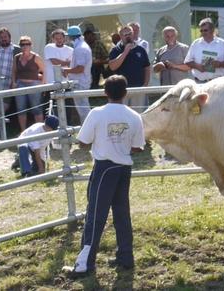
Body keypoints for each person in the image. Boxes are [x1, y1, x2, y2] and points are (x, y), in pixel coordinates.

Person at [64, 75, 145, 277]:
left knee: (95, 216)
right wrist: (120, 146)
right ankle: (126, 257)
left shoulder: (97, 113)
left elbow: (83, 142)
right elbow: (137, 147)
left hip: (104, 168)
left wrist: (103, 143)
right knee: (121, 214)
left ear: (105, 92)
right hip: (123, 168)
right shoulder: (134, 116)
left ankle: (84, 265)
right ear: (125, 93)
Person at [108, 25, 152, 111]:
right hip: (121, 90)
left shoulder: (141, 50)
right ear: (121, 37)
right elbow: (112, 67)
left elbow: (147, 67)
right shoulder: (115, 50)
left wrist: (145, 84)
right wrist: (125, 52)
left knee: (140, 114)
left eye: (130, 33)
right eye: (125, 35)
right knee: (121, 115)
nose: (128, 36)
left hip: (138, 89)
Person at [11, 36, 46, 132]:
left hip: (34, 84)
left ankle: (40, 131)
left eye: (27, 44)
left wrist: (42, 85)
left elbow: (44, 71)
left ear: (31, 45)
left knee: (36, 109)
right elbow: (14, 71)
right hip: (20, 84)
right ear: (20, 46)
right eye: (23, 44)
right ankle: (23, 132)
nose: (25, 46)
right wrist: (14, 82)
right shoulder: (17, 57)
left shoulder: (36, 57)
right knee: (21, 109)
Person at [185, 18, 224, 83]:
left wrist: (219, 64)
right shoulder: (195, 43)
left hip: (218, 82)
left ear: (212, 30)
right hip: (200, 82)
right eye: (201, 31)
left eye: (205, 30)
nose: (203, 33)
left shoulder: (222, 43)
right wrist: (197, 66)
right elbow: (187, 61)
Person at [62, 25, 94, 123]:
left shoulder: (80, 48)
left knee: (83, 110)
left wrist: (67, 70)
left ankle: (88, 132)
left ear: (71, 37)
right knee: (83, 109)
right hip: (81, 81)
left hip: (80, 82)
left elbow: (80, 68)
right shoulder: (81, 46)